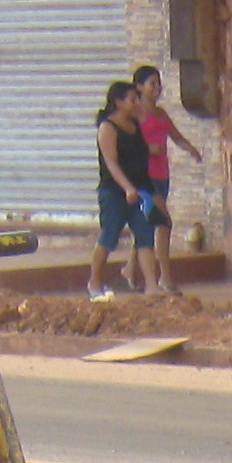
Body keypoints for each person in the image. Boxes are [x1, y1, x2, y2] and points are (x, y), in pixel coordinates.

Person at [128, 63, 205, 297]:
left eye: (159, 84)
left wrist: (191, 149)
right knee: (163, 222)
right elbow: (128, 145)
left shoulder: (161, 113)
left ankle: (130, 269)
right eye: (152, 84)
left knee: (149, 223)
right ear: (139, 87)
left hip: (162, 175)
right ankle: (165, 276)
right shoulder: (136, 114)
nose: (157, 88)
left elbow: (175, 136)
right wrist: (148, 149)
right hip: (145, 176)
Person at [91, 79, 154, 299]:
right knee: (110, 235)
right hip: (115, 191)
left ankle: (152, 286)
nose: (137, 103)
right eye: (132, 100)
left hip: (141, 189)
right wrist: (127, 188)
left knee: (145, 235)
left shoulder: (135, 124)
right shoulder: (108, 128)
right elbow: (111, 163)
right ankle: (95, 282)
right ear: (118, 102)